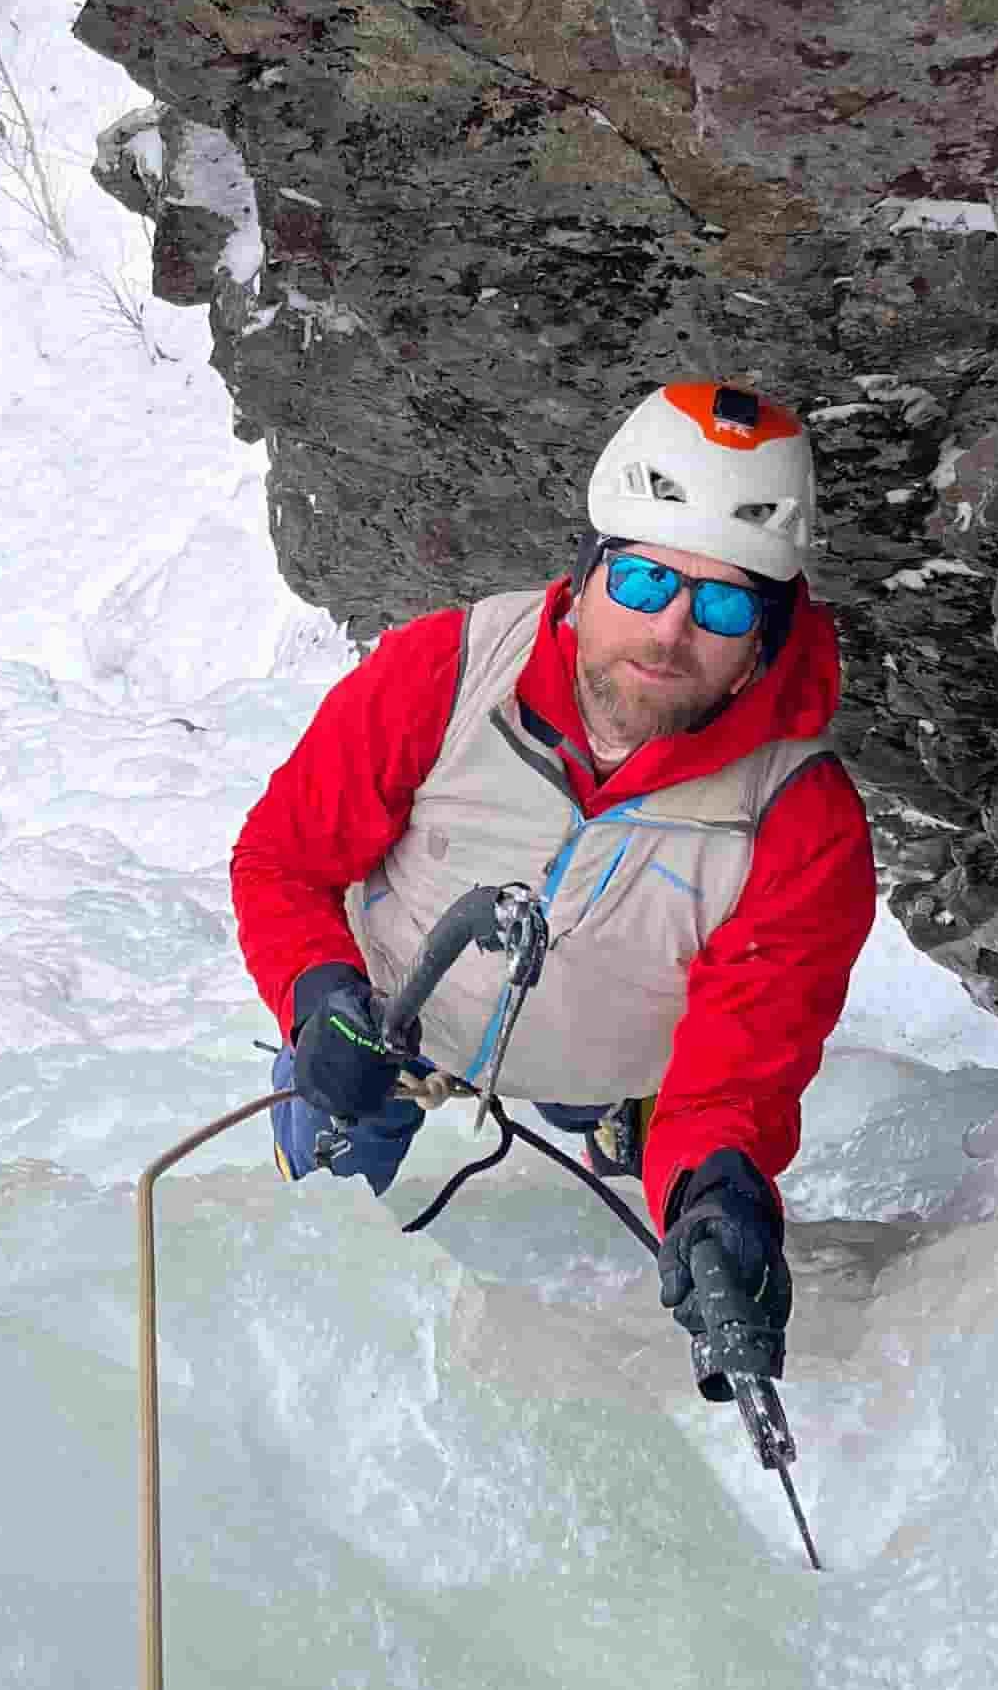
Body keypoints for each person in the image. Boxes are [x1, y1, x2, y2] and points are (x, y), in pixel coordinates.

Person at [231, 381, 877, 1389]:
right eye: (644, 582)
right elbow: (284, 860)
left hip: (617, 1057)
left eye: (719, 603)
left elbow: (738, 1069)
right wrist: (314, 997)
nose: (668, 633)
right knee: (301, 1221)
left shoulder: (800, 821)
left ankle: (609, 1116)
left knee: (671, 1146)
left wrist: (717, 1191)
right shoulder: (442, 673)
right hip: (386, 1030)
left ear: (766, 641)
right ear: (585, 579)